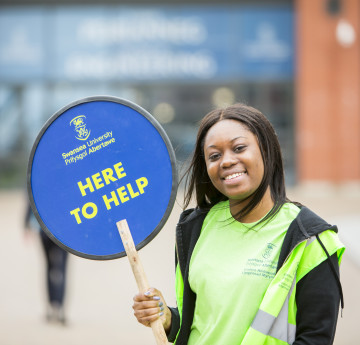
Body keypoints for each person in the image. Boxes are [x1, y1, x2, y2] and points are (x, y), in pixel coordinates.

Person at [132, 103, 345, 345]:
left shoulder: (310, 238)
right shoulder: (195, 228)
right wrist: (166, 317)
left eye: (239, 148)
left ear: (266, 150)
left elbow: (316, 338)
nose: (226, 161)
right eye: (214, 155)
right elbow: (205, 323)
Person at [24, 203, 68, 325]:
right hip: (64, 233)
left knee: (49, 267)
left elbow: (31, 202)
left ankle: (52, 306)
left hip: (45, 230)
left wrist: (26, 224)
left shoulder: (38, 184)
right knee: (62, 269)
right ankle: (59, 307)